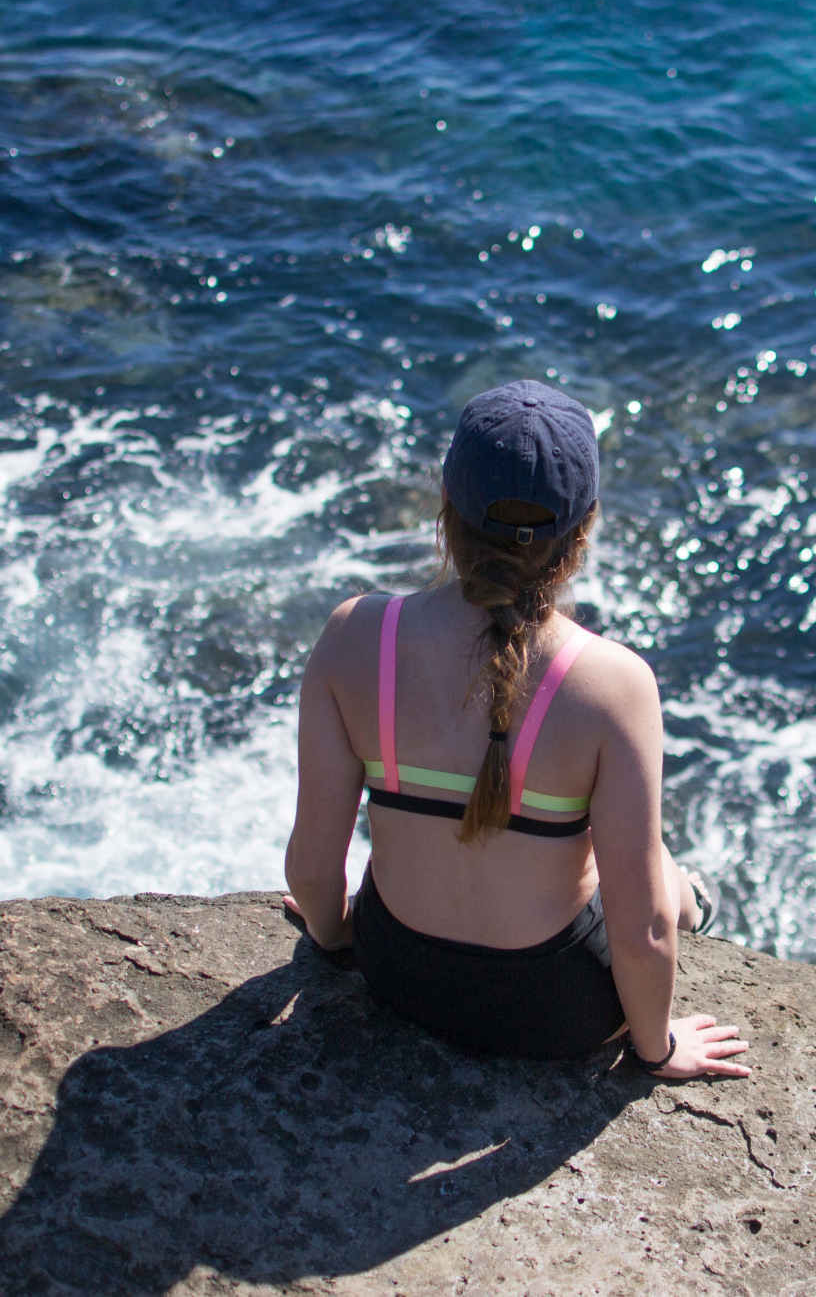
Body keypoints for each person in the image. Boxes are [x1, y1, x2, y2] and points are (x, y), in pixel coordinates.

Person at [281, 379, 750, 1080]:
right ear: (583, 527)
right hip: (555, 1011)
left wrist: (340, 938)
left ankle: (691, 888)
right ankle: (696, 895)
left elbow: (314, 869)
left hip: (396, 976)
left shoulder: (354, 637)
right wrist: (659, 1049)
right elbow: (643, 928)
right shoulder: (614, 685)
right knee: (650, 859)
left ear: (446, 507)